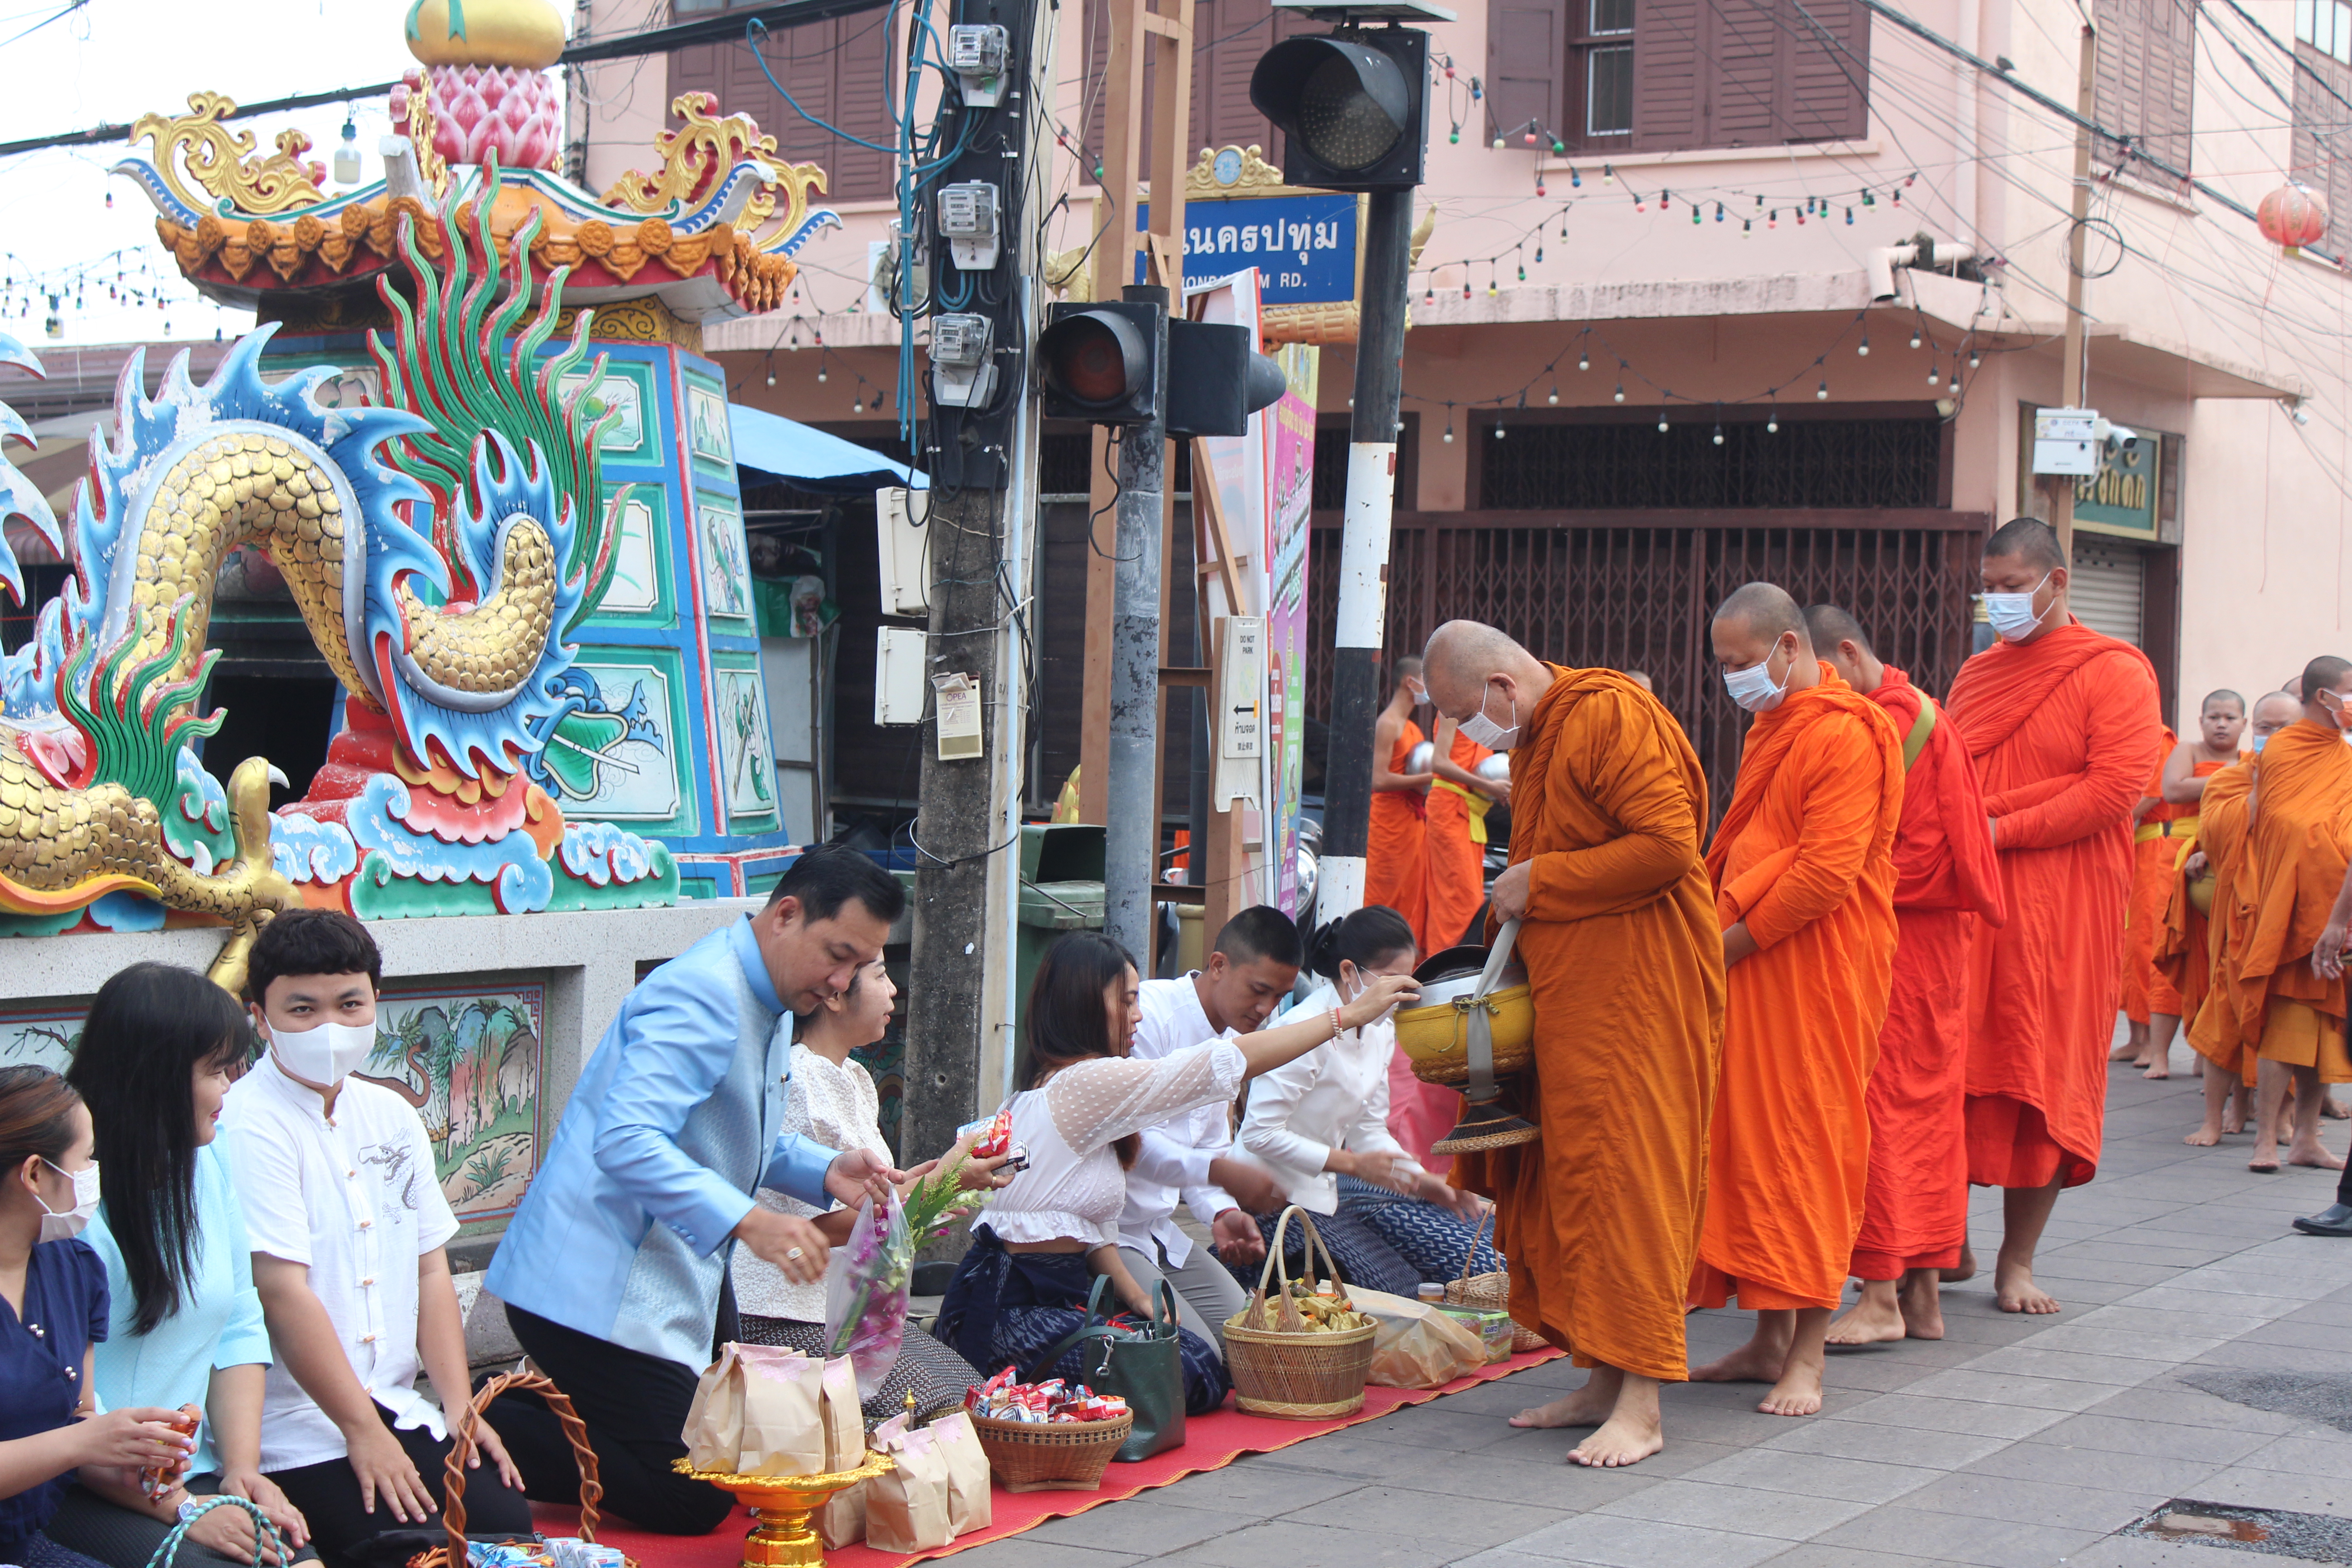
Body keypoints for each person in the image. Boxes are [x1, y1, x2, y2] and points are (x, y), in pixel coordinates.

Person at [484, 848, 908, 1534]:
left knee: (731, 1447)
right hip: (589, 1286)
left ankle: (547, 1409)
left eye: (859, 965)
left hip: (677, 1275)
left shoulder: (771, 998)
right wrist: (750, 1222)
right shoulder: (704, 991)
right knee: (696, 1495)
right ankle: (484, 1423)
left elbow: (736, 1135)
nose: (841, 984)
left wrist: (826, 1170)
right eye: (838, 956)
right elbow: (626, 1139)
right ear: (786, 915)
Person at [1423, 620, 1726, 1469]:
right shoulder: (1541, 735)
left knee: (1627, 1185)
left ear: (1501, 689)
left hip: (1635, 998)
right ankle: (1599, 1378)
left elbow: (1668, 847)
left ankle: (1642, 1404)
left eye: (1465, 715)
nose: (1466, 734)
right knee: (1569, 1186)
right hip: (1571, 1000)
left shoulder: (1603, 714)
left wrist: (1541, 879)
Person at [936, 932, 1418, 1413]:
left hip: (1091, 1275)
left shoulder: (1072, 1086)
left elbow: (1093, 1233)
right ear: (1082, 1004)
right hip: (1012, 1307)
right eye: (1126, 1002)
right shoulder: (1083, 1082)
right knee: (1193, 1370)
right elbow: (1220, 1066)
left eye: (1138, 1000)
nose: (1138, 1016)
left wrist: (1141, 1300)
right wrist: (1344, 1017)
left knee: (1226, 1351)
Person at [218, 911, 532, 1568]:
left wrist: (459, 1408)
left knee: (506, 1523)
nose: (329, 1026)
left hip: (395, 1403)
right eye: (302, 1009)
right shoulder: (248, 1125)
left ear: (375, 1003)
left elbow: (429, 1268)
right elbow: (282, 1293)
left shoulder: (391, 1114)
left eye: (349, 1004)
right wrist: (361, 1431)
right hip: (298, 1428)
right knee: (407, 1548)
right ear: (260, 1018)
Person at [1683, 587, 1901, 1418]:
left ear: (1786, 646)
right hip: (1757, 971)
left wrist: (1722, 948)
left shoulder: (1844, 733)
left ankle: (1806, 1357)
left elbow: (1823, 874)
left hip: (1815, 970)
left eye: (1739, 663)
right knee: (1750, 1148)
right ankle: (1768, 1340)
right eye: (1723, 666)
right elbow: (1752, 846)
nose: (1732, 680)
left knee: (1807, 1147)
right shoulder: (1774, 726)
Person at [1946, 518, 2163, 1314]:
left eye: (2011, 587)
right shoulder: (1976, 675)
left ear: (2056, 581)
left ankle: (2017, 1262)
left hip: (2065, 907)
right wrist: (1977, 829)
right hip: (1971, 903)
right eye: (1988, 588)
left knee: (2042, 1073)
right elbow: (1947, 779)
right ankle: (1944, 1239)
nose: (1997, 601)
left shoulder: (2115, 670)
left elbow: (2112, 792)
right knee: (1953, 1069)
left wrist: (1995, 825)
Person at [44, 966, 311, 1568]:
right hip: (78, 1480)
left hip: (187, 1474)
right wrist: (182, 1508)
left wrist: (242, 1470)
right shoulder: (69, 1202)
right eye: (215, 1071)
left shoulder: (206, 1162)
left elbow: (239, 1321)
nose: (230, 1089)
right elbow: (66, 1404)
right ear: (156, 1076)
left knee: (298, 1558)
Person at [1805, 605, 2004, 1347]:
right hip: (1935, 948)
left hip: (1898, 940)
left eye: (1818, 676)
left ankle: (1881, 1291)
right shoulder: (1919, 707)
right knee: (1926, 1111)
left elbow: (1876, 850)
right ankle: (1922, 1295)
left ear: (1846, 655)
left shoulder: (1884, 723)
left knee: (1881, 1105)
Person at [729, 960, 993, 1421]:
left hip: (848, 1311)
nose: (893, 990)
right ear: (834, 995)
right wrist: (945, 1180)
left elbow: (873, 1203)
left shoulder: (855, 1076)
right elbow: (822, 1228)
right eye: (880, 975)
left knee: (975, 1396)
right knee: (945, 1412)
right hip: (786, 1315)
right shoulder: (799, 1078)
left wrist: (935, 1191)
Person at [0, 1066, 198, 1568]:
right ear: (35, 1173)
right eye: (87, 1158)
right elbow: (76, 1437)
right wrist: (83, 1441)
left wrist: (132, 1458)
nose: (95, 1170)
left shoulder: (73, 1268)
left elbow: (79, 1416)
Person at [1242, 907, 1497, 1292]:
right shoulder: (1303, 1029)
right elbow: (1259, 1134)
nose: (1403, 994)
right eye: (1392, 980)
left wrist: (1423, 1181)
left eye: (1408, 981)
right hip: (1266, 1201)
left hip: (1322, 1195)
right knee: (1384, 1293)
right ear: (1349, 972)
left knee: (1410, 1285)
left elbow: (1368, 1129)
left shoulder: (1380, 1030)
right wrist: (1353, 1164)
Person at [1114, 907, 1297, 1357]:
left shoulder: (1229, 1041)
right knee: (1202, 1357)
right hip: (1109, 1234)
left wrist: (1221, 1212)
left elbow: (1210, 1146)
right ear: (1218, 965)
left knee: (1252, 1339)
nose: (1266, 1010)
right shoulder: (1148, 1017)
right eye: (1259, 991)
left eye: (1279, 997)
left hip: (1158, 1230)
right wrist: (1222, 1174)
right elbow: (1139, 1147)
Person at [2233, 658, 2352, 1174]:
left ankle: (2305, 1138)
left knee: (2328, 1030)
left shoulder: (2346, 757)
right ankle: (2265, 1140)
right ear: (2323, 696)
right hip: (2293, 907)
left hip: (2338, 908)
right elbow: (2284, 820)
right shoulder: (2284, 748)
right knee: (2284, 1027)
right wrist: (2333, 839)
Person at [2179, 693, 2298, 1147]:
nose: (2274, 736)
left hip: (2290, 916)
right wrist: (2258, 789)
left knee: (2287, 1019)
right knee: (2225, 1014)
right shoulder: (2231, 778)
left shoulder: (2317, 781)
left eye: (2285, 728)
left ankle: (2282, 1119)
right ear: (2254, 730)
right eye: (2266, 727)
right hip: (2239, 917)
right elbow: (2215, 833)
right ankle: (2214, 1118)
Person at [2137, 693, 2249, 1084]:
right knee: (2171, 946)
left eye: (2230, 717)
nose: (2222, 724)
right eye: (2214, 716)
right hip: (2179, 854)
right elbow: (2173, 791)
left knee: (2217, 955)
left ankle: (2207, 1052)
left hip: (2226, 857)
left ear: (2244, 725)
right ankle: (2159, 1054)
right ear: (2201, 721)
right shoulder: (2188, 750)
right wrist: (2231, 778)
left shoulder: (2249, 760)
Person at [2117, 723, 2184, 1075]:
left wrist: (2106, 819)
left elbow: (2153, 794)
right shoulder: (2118, 732)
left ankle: (2148, 1042)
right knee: (2125, 944)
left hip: (2145, 846)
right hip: (2120, 847)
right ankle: (2134, 1036)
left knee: (2144, 940)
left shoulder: (2160, 736)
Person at [1420, 714, 1502, 957]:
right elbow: (1439, 763)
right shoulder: (1451, 709)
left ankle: (1461, 963)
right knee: (1457, 900)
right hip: (1449, 809)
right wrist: (1489, 786)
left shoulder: (1482, 713)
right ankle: (1445, 964)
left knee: (1470, 898)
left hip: (1470, 809)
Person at [1367, 658, 1434, 944]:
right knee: (1382, 893)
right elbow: (1378, 779)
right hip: (1388, 822)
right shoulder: (1388, 724)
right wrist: (1431, 777)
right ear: (1410, 682)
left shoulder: (1412, 729)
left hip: (1410, 822)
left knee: (1410, 893)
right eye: (1426, 679)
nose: (1430, 688)